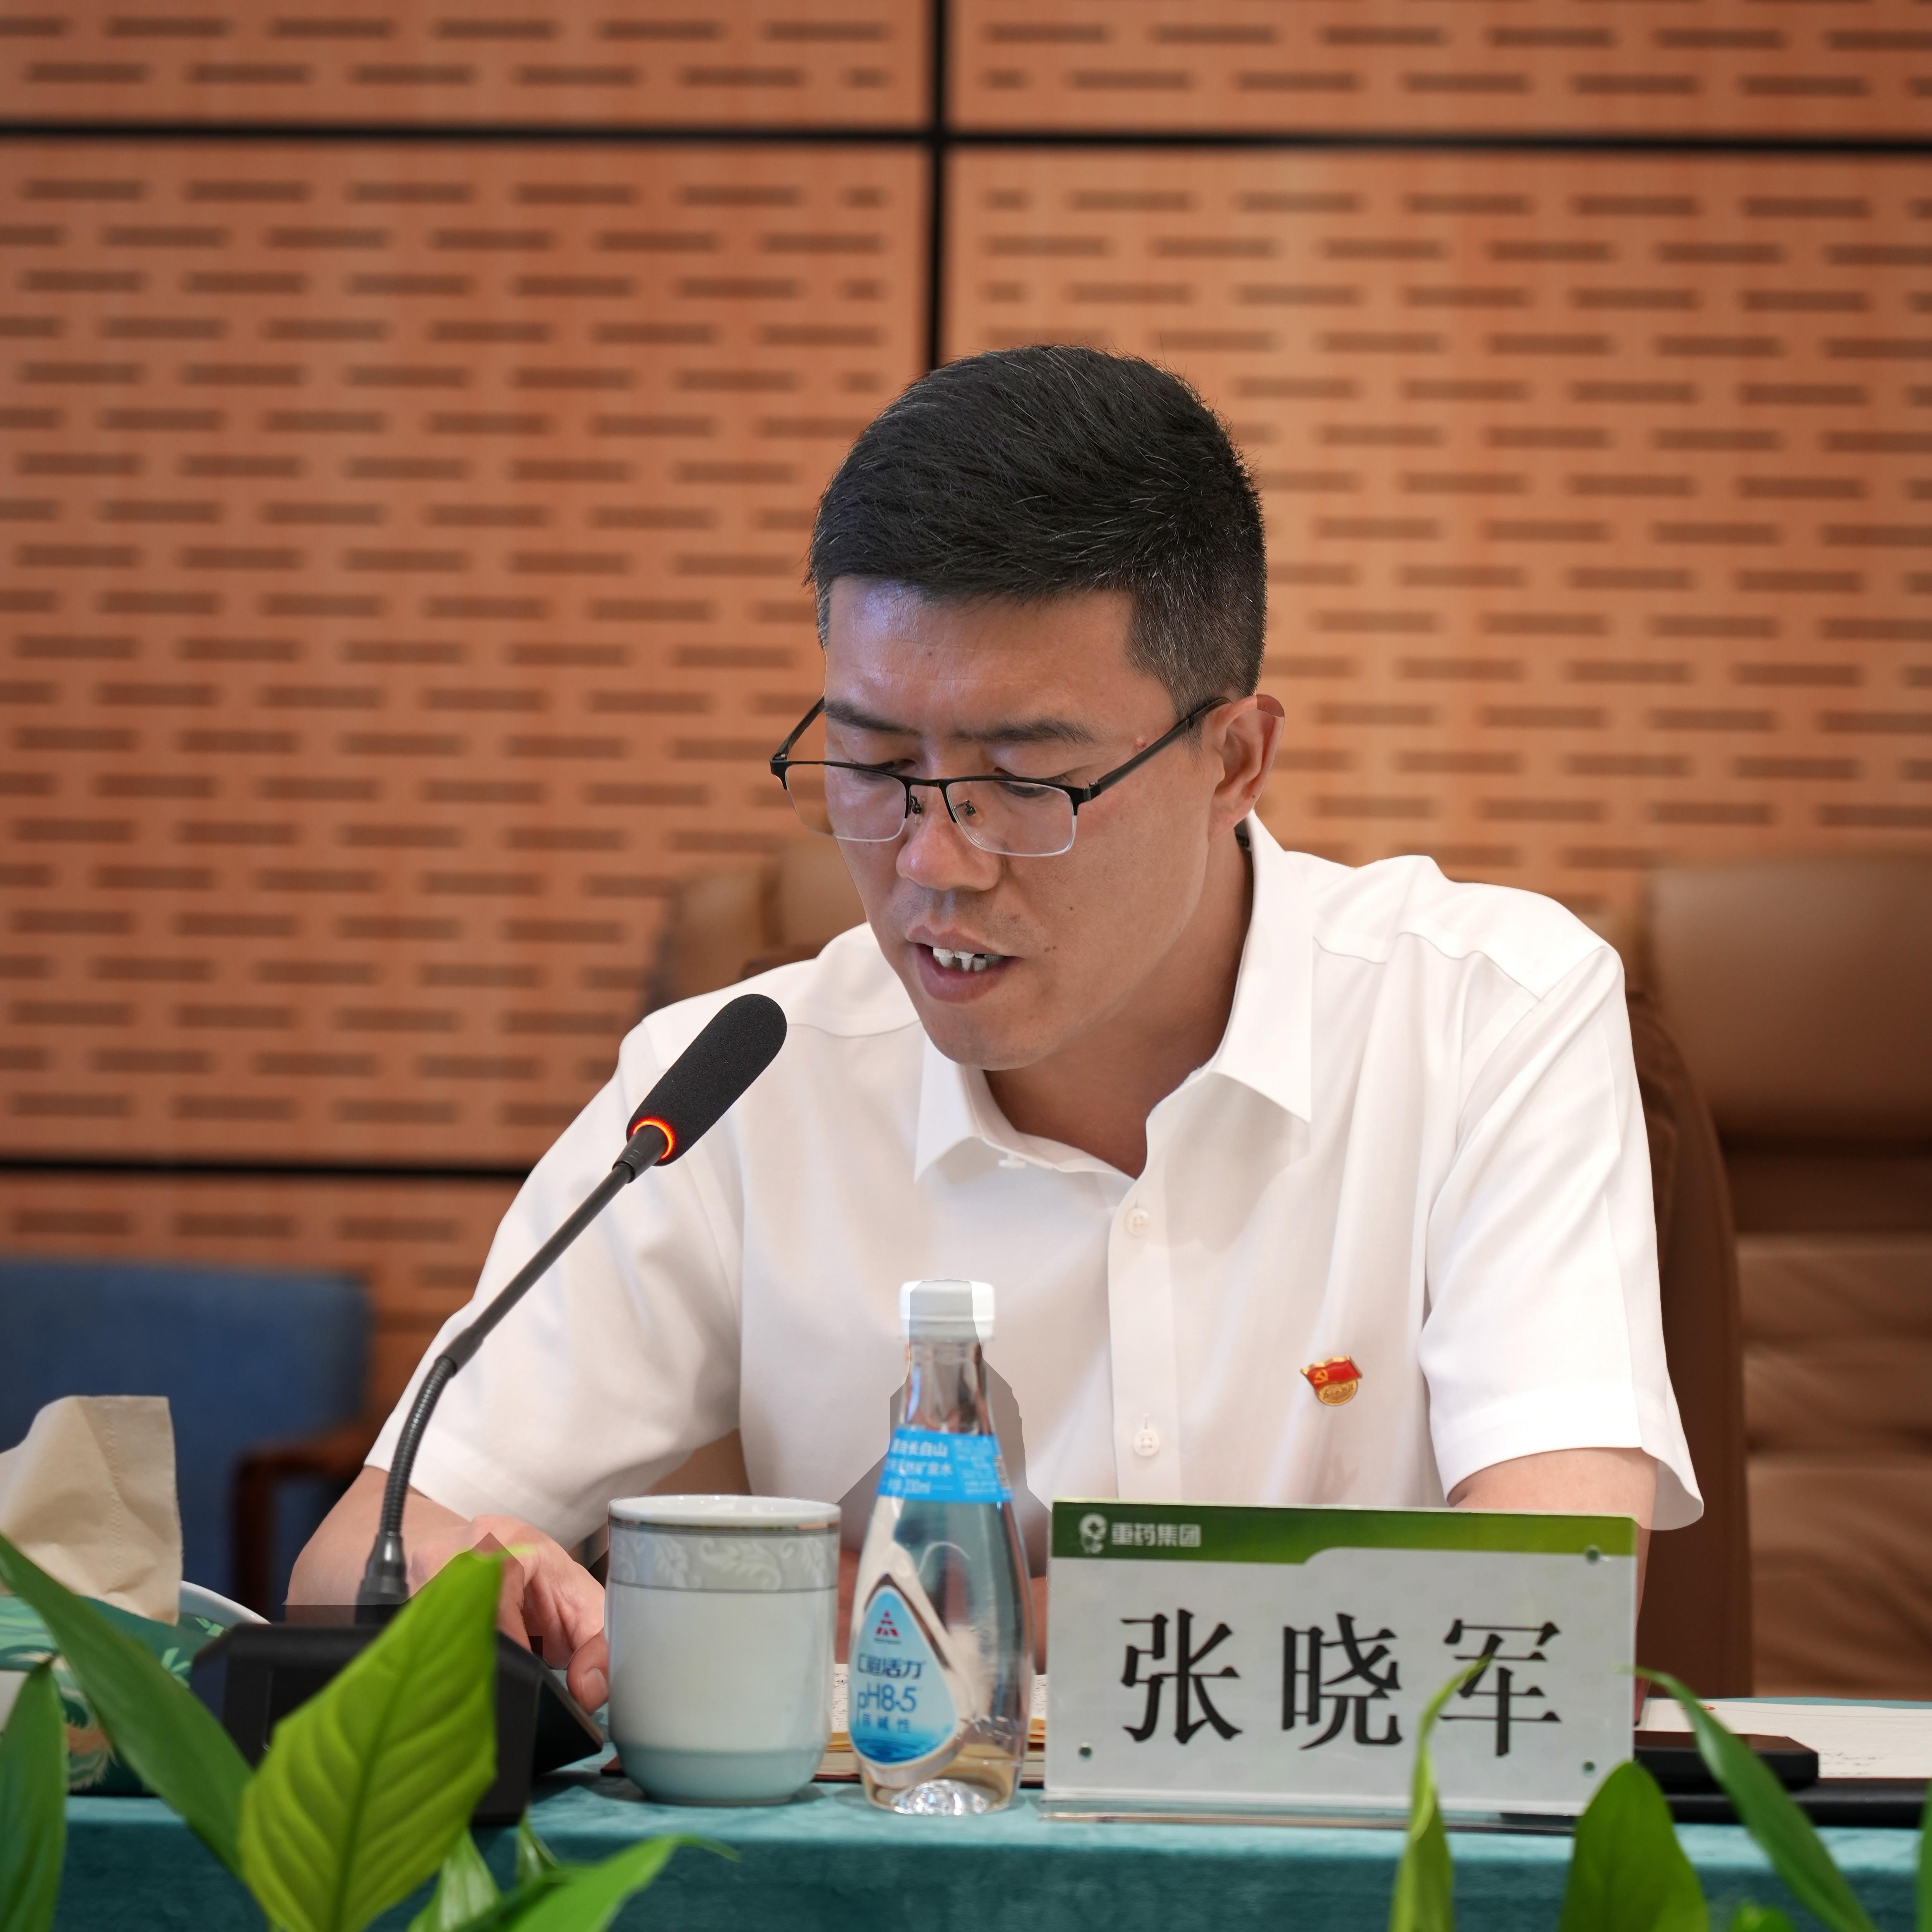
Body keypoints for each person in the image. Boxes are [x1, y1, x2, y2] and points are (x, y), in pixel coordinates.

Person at [292, 345, 1698, 1712]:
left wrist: (887, 1621)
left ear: (1233, 759)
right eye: (873, 763)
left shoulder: (1488, 1015)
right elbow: (355, 1562)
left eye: (1025, 782)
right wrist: (482, 1587)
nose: (934, 861)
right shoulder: (730, 1087)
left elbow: (1547, 1614)